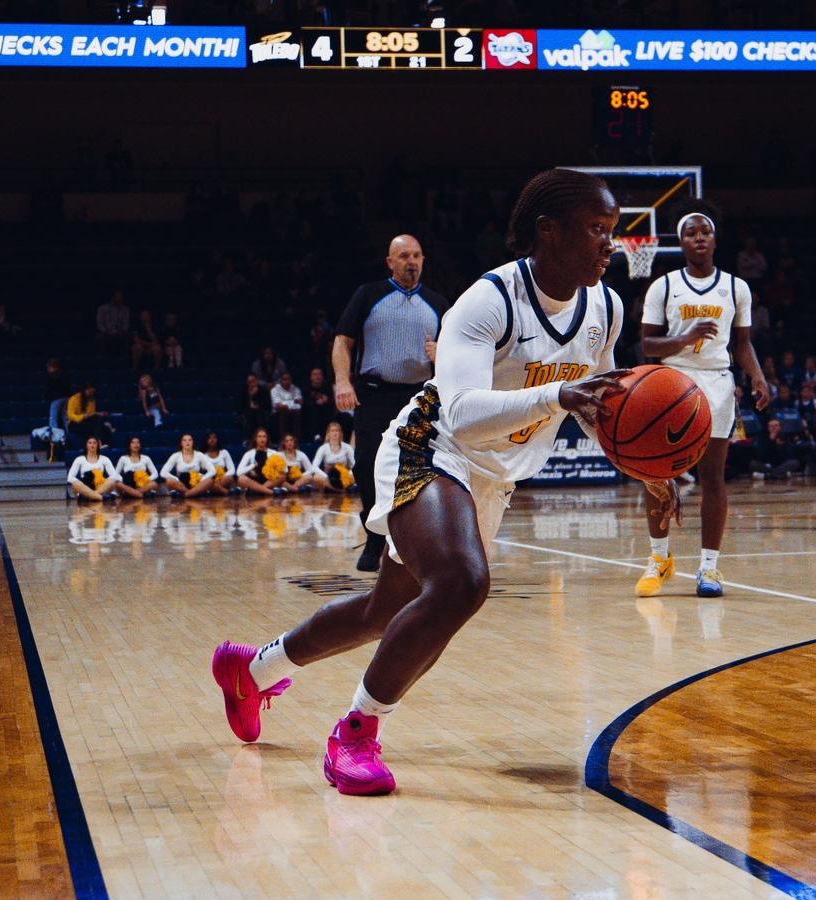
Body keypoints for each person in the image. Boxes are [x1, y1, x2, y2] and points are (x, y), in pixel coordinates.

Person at [211, 168, 677, 796]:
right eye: (597, 229)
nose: (609, 244)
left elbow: (602, 410)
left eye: (612, 231)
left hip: (492, 478)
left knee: (385, 611)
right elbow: (461, 413)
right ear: (549, 230)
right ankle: (355, 733)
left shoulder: (607, 308)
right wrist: (557, 395)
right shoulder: (490, 300)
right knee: (462, 582)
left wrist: (647, 468)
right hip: (431, 449)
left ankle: (252, 672)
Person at [634, 204, 770, 599]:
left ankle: (709, 566)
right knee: (657, 474)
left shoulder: (736, 287)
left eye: (704, 232)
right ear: (681, 241)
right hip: (671, 382)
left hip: (717, 383)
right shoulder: (663, 286)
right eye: (691, 233)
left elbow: (742, 344)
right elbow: (648, 345)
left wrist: (757, 375)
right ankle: (659, 558)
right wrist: (685, 337)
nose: (698, 238)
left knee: (713, 477)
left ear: (714, 239)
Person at [332, 234, 449, 571]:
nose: (411, 262)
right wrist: (343, 381)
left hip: (418, 397)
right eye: (404, 256)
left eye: (416, 255)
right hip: (373, 395)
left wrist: (443, 354)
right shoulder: (368, 295)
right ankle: (375, 539)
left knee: (422, 469)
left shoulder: (439, 303)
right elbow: (342, 341)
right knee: (366, 466)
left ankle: (415, 541)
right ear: (390, 262)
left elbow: (460, 353)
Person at [161, 433, 217, 498]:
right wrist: (176, 479)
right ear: (181, 443)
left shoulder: (199, 454)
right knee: (169, 481)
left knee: (210, 481)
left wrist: (202, 479)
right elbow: (163, 472)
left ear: (193, 442)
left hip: (197, 483)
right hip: (181, 484)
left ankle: (186, 495)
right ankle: (193, 493)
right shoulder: (176, 455)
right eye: (184, 440)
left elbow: (213, 470)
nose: (187, 442)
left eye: (190, 440)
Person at [66, 436, 118, 502]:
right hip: (85, 487)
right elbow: (70, 477)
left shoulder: (105, 459)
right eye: (90, 443)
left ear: (98, 445)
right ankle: (102, 498)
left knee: (112, 481)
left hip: (100, 487)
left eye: (94, 443)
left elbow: (114, 475)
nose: (92, 445)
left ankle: (89, 497)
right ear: (86, 445)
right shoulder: (79, 459)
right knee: (75, 484)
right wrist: (79, 483)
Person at [236, 427, 284, 497]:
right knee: (241, 479)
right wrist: (254, 465)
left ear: (267, 439)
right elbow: (238, 472)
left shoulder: (273, 453)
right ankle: (270, 492)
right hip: (254, 480)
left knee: (282, 476)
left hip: (269, 481)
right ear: (255, 439)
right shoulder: (249, 453)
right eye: (259, 436)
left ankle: (258, 490)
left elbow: (284, 470)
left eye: (264, 436)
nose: (262, 439)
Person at [310, 421, 356, 492]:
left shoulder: (347, 447)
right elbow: (314, 466)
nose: (335, 433)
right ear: (328, 433)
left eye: (337, 431)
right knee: (315, 477)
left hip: (344, 477)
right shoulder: (323, 448)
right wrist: (326, 476)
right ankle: (337, 490)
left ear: (340, 433)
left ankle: (341, 487)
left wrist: (348, 474)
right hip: (328, 478)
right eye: (332, 431)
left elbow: (354, 465)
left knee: (356, 475)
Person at [95, 289, 131, 355]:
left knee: (127, 337)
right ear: (113, 297)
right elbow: (99, 323)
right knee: (100, 337)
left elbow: (126, 323)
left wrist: (122, 331)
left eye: (121, 297)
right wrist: (106, 331)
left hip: (120, 332)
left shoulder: (125, 309)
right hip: (106, 331)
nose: (120, 299)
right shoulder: (102, 308)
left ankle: (123, 357)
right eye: (118, 297)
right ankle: (101, 356)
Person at [200, 431, 236, 495]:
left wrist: (223, 477)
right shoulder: (201, 455)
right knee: (207, 482)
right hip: (209, 479)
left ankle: (215, 490)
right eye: (209, 438)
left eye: (214, 437)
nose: (212, 440)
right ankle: (225, 492)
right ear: (206, 440)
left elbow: (232, 469)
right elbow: (198, 472)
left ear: (218, 440)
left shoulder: (224, 452)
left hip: (223, 479)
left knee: (229, 478)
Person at [270, 372, 303, 442]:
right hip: (278, 413)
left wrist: (286, 404)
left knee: (296, 413)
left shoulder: (296, 389)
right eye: (285, 379)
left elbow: (299, 405)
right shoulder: (274, 390)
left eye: (289, 379)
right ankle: (283, 439)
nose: (287, 381)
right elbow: (278, 406)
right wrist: (293, 402)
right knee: (284, 412)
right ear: (280, 380)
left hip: (294, 412)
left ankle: (296, 439)